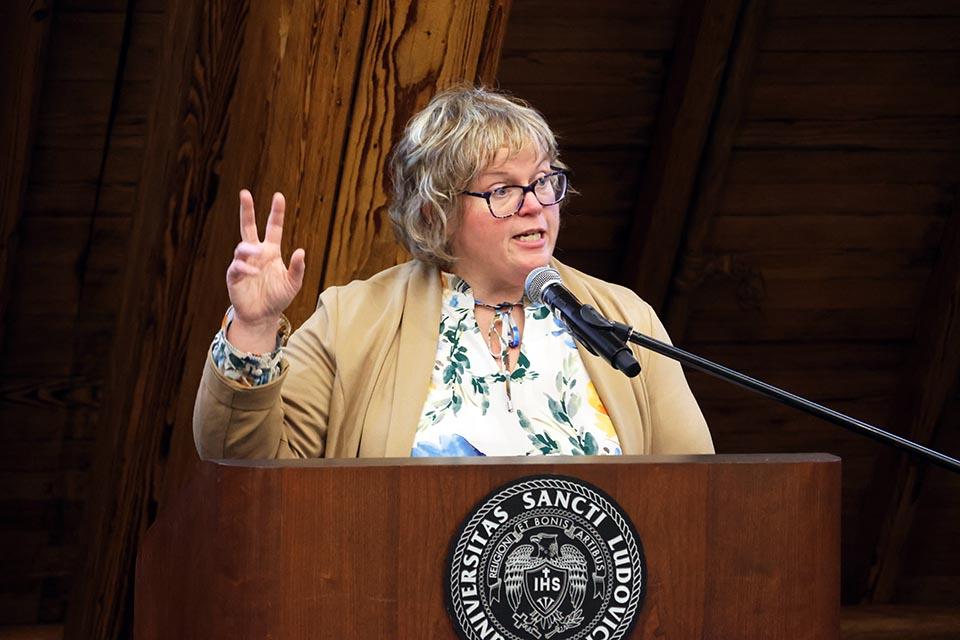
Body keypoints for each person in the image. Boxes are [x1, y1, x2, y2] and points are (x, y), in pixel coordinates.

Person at [193, 85, 714, 459]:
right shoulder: (353, 319)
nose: (535, 205)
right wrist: (255, 329)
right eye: (502, 189)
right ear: (434, 213)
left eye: (543, 180)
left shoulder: (623, 315)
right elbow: (245, 464)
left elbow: (694, 493)